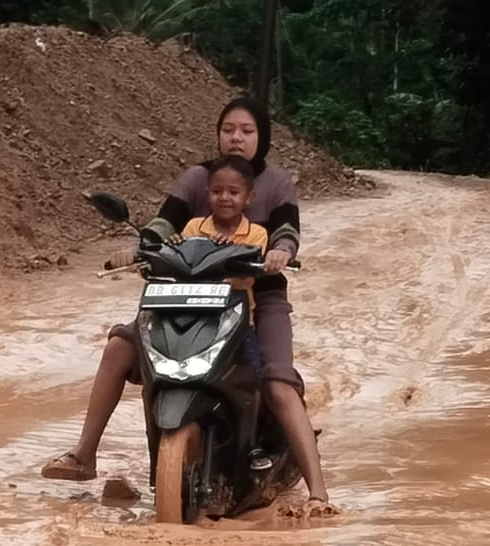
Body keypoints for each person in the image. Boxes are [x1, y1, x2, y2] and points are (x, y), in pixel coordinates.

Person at [42, 95, 331, 507]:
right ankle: (84, 454)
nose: (236, 137)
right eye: (229, 129)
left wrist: (281, 252)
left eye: (247, 131)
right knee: (119, 347)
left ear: (261, 138)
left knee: (278, 382)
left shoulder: (276, 183)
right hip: (184, 293)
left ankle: (318, 492)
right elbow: (162, 224)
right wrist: (138, 248)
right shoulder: (198, 178)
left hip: (257, 297)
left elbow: (288, 230)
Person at [181, 154, 268, 373]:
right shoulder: (193, 228)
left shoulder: (257, 234)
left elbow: (246, 276)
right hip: (194, 319)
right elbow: (184, 268)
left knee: (253, 373)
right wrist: (176, 246)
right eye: (217, 191)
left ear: (249, 197)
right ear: (207, 193)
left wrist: (224, 250)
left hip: (236, 322)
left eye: (234, 192)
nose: (224, 197)